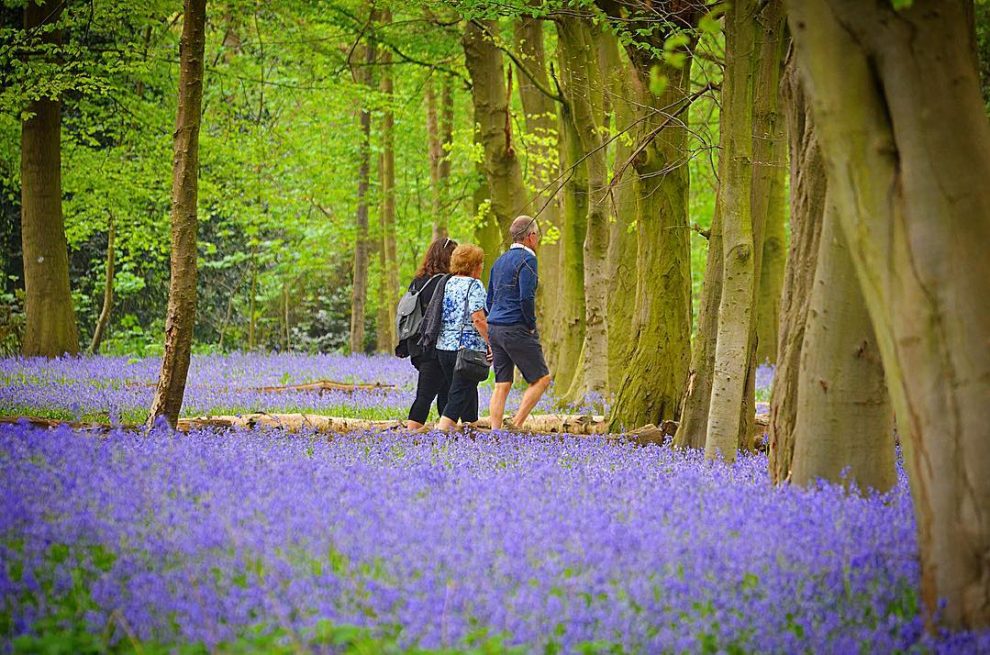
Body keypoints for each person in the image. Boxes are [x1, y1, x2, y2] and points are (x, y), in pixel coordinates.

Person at [486, 215, 551, 430]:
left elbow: (490, 298)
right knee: (541, 379)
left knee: (502, 384)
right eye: (537, 236)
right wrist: (530, 324)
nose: (538, 240)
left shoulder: (499, 261)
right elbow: (526, 297)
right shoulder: (528, 260)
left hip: (495, 327)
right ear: (531, 236)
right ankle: (516, 424)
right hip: (515, 326)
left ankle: (496, 432)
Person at [401, 237, 457, 430]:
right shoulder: (446, 283)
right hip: (434, 347)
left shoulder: (417, 282)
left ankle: (445, 435)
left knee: (445, 391)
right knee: (426, 395)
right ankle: (412, 434)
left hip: (416, 346)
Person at [432, 244, 490, 431]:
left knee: (467, 391)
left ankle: (471, 433)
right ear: (473, 266)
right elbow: (478, 319)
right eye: (480, 263)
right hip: (466, 350)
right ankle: (439, 437)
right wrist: (492, 343)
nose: (482, 267)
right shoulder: (474, 285)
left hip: (444, 349)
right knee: (457, 397)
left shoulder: (447, 283)